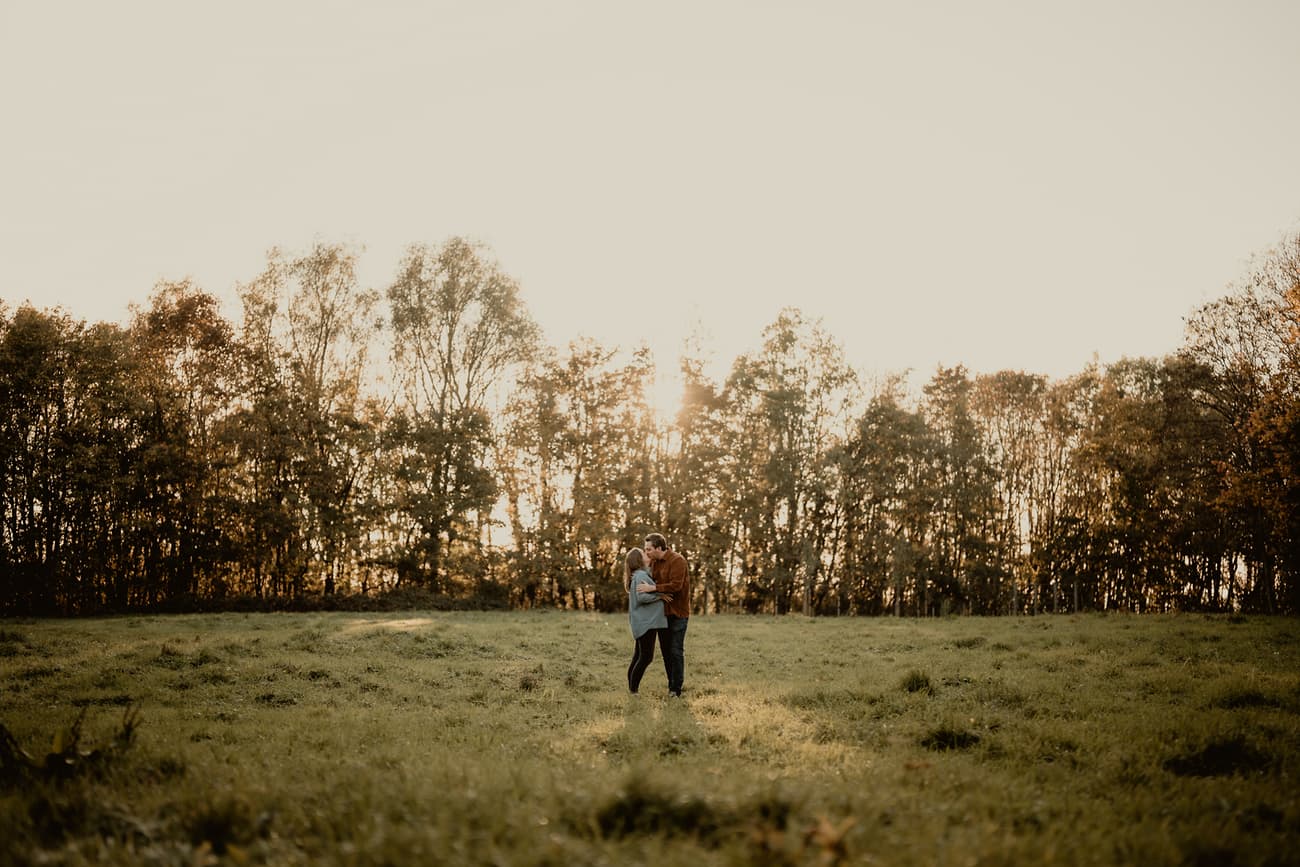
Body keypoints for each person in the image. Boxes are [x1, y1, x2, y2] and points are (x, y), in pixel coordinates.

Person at [641, 532, 689, 697]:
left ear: (659, 548)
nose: (646, 552)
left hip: (678, 613)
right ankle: (671, 686)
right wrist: (658, 592)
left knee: (676, 651)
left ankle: (676, 689)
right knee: (666, 651)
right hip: (662, 613)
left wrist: (653, 589)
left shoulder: (678, 560)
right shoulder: (654, 563)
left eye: (648, 549)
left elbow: (676, 586)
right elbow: (652, 581)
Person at [625, 547, 668, 694]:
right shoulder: (640, 576)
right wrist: (659, 596)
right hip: (646, 623)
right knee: (646, 657)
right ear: (638, 559)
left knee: (638, 656)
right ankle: (634, 690)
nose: (646, 554)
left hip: (643, 622)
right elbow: (642, 597)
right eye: (643, 553)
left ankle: (631, 687)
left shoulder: (638, 575)